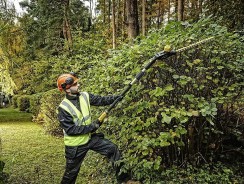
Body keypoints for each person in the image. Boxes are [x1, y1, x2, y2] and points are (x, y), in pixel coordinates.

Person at [56, 72, 130, 184]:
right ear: (66, 88)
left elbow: (101, 100)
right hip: (75, 146)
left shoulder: (84, 96)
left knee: (113, 149)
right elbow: (70, 130)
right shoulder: (63, 108)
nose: (78, 85)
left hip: (90, 138)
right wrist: (92, 127)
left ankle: (124, 180)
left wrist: (116, 98)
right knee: (70, 174)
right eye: (75, 84)